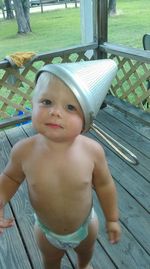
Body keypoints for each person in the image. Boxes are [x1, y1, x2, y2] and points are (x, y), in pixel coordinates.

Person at [0, 62, 121, 269]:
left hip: (85, 226)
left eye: (70, 107)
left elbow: (104, 185)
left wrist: (112, 219)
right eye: (47, 101)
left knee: (86, 252)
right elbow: (10, 178)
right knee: (51, 261)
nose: (56, 112)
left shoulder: (92, 151)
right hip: (48, 232)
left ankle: (84, 265)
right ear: (33, 103)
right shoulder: (24, 151)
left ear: (86, 118)